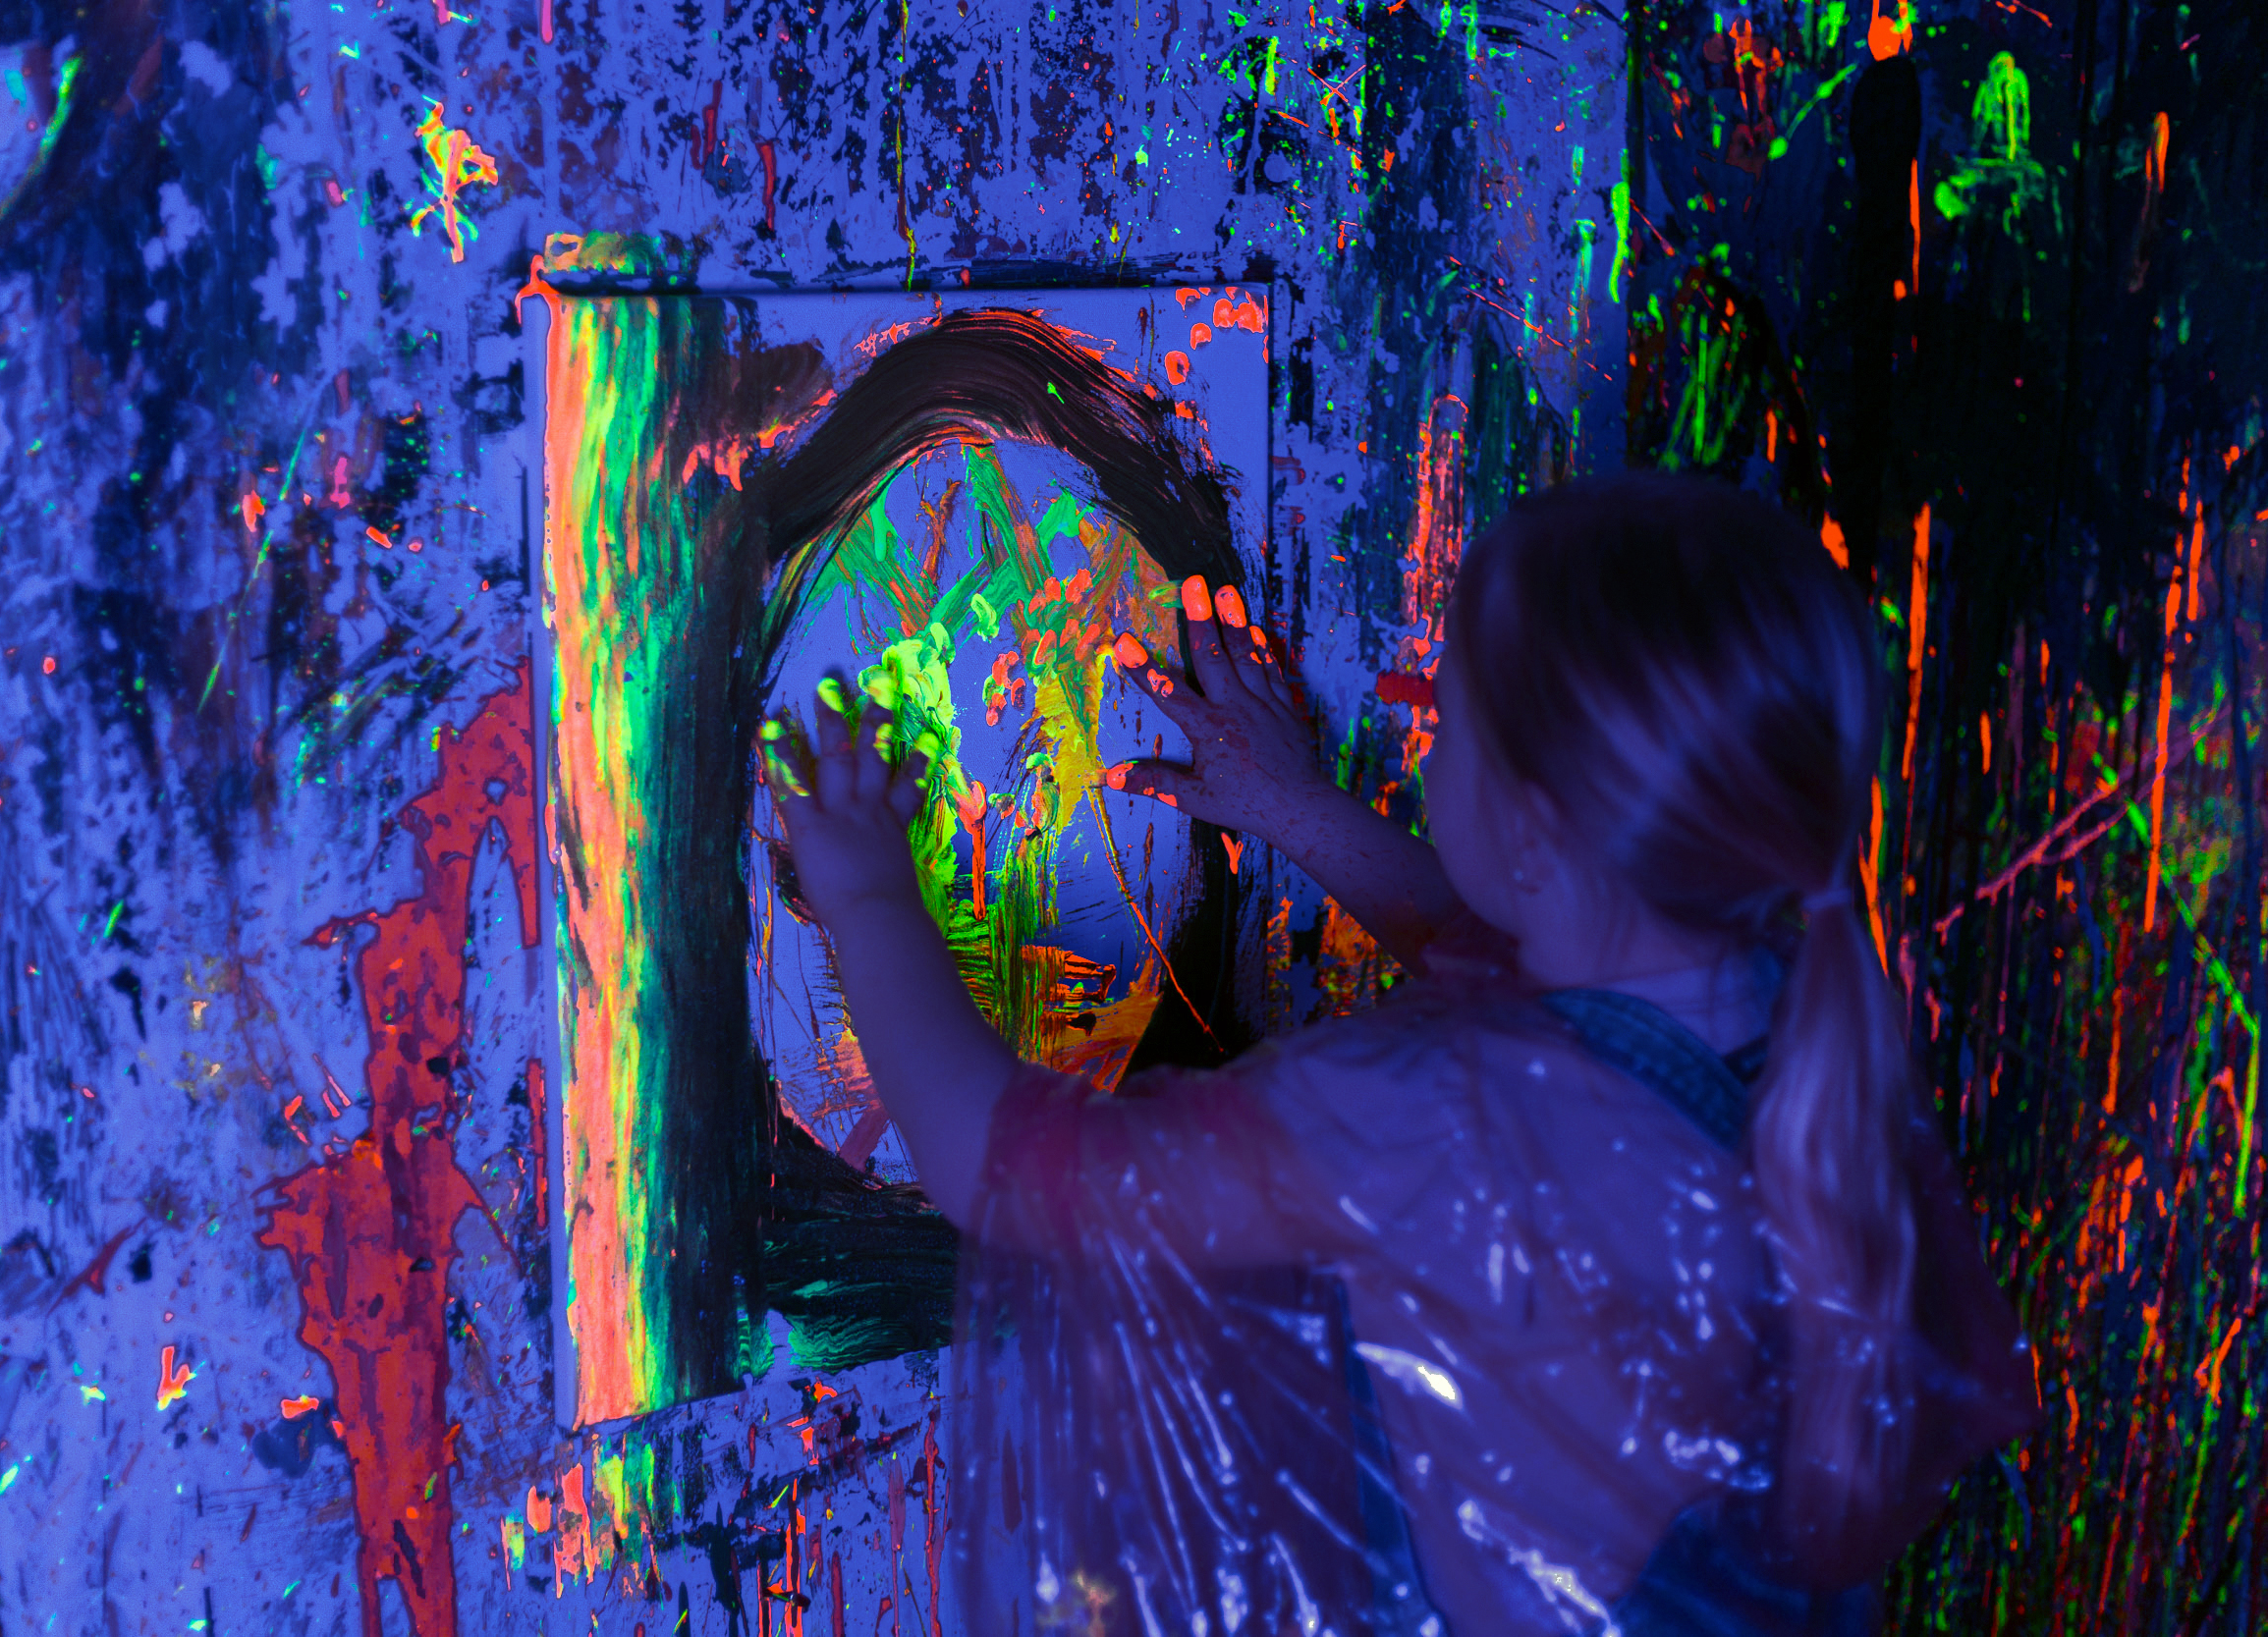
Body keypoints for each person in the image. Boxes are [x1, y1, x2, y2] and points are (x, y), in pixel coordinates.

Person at [763, 472, 2038, 1634]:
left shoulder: (1432, 1125)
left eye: (1453, 720)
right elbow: (1512, 951)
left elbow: (1012, 1171)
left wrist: (868, 890)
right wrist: (1295, 809)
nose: (1417, 718)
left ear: (1533, 829)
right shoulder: (1794, 1017)